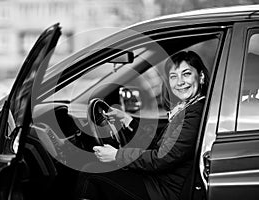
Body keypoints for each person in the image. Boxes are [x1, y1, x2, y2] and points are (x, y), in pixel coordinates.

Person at [74, 50, 209, 200]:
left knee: (90, 172)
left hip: (165, 190)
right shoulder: (186, 109)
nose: (180, 82)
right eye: (173, 76)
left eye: (186, 74)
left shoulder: (194, 113)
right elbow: (160, 147)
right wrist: (127, 120)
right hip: (161, 180)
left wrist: (117, 155)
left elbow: (162, 158)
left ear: (201, 77)